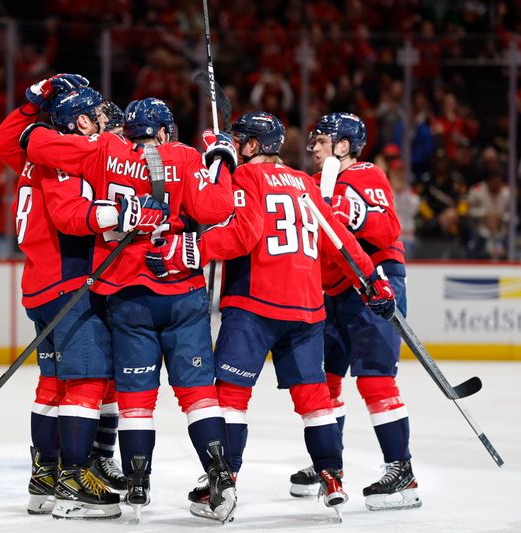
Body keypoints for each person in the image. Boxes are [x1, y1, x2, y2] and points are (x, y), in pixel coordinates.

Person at [145, 112, 395, 520]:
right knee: (314, 398)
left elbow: (242, 233)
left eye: (240, 140)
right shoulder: (304, 182)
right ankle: (332, 475)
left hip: (255, 304)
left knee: (230, 396)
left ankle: (224, 482)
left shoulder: (246, 178)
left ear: (250, 145)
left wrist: (187, 249)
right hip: (307, 306)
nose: (237, 146)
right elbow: (338, 238)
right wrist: (371, 280)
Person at [22, 97, 239, 522]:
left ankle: (137, 483)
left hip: (123, 292)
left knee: (136, 399)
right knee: (198, 393)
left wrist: (32, 123)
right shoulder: (184, 155)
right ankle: (220, 475)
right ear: (163, 131)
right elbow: (216, 209)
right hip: (180, 290)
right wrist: (222, 160)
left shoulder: (104, 149)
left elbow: (41, 148)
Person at [0, 74, 139, 520]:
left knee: (53, 384)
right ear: (78, 121)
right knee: (88, 380)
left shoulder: (34, 156)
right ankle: (75, 479)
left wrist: (28, 107)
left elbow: (3, 142)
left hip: (42, 282)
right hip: (68, 282)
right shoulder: (62, 156)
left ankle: (47, 474)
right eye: (96, 117)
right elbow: (71, 214)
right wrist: (121, 210)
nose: (104, 123)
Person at [296, 112, 420, 511]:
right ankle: (328, 463)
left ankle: (402, 471)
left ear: (344, 145)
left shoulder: (366, 174)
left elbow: (387, 230)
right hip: (332, 291)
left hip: (374, 283)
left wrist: (352, 212)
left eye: (321, 140)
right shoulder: (315, 183)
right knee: (325, 380)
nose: (313, 146)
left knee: (374, 377)